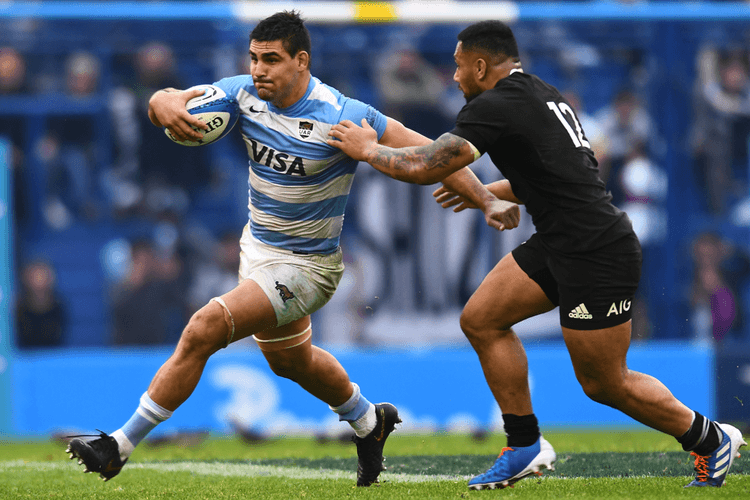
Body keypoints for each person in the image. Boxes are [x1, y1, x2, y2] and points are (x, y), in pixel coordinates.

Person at [65, 11, 507, 487]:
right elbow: (169, 101)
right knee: (291, 362)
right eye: (253, 58)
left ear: (301, 61)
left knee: (204, 327)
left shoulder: (344, 116)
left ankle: (119, 444)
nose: (258, 69)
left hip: (308, 267)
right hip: (257, 250)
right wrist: (161, 101)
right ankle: (367, 421)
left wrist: (484, 197)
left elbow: (432, 153)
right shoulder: (241, 93)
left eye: (271, 60)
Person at [328, 20, 747, 490]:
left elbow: (427, 165)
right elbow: (559, 176)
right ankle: (524, 443)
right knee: (482, 319)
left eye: (458, 65)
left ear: (481, 65)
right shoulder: (541, 94)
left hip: (595, 252)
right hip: (562, 240)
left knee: (605, 383)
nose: (454, 76)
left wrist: (368, 149)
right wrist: (488, 194)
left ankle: (709, 439)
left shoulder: (497, 104)